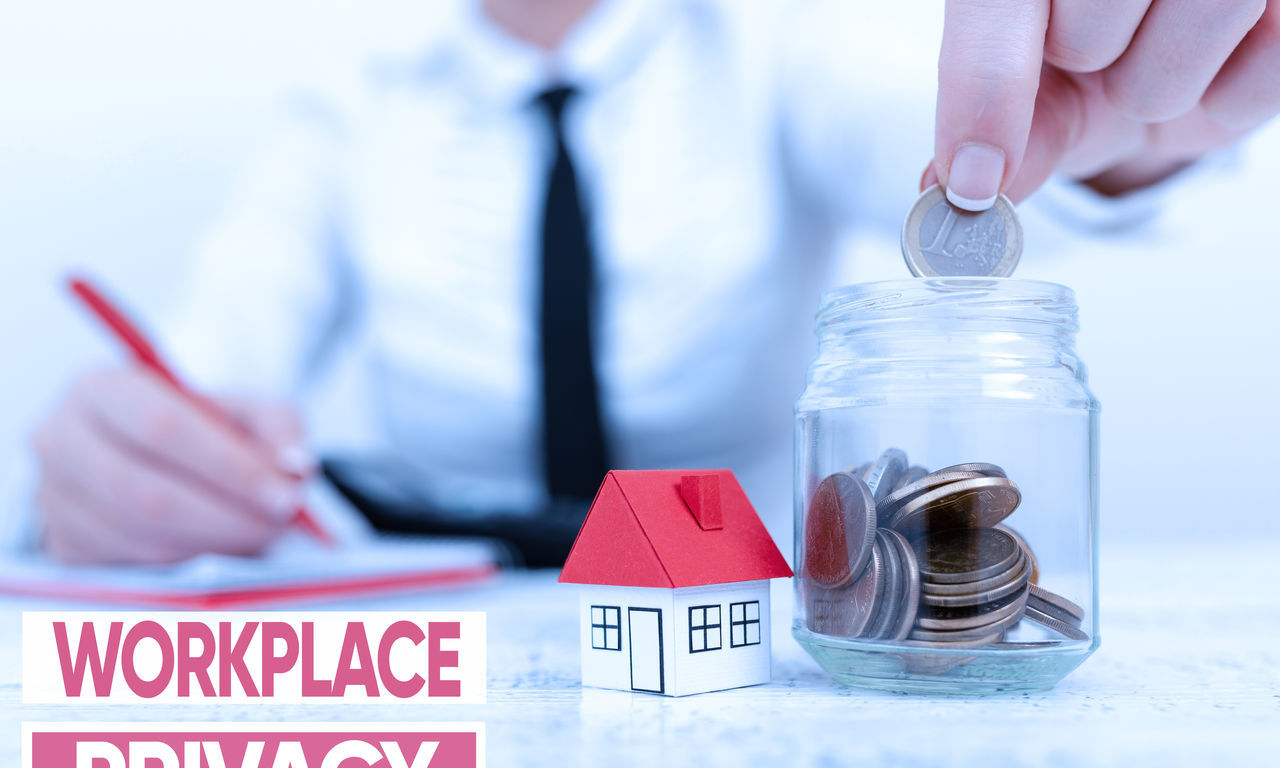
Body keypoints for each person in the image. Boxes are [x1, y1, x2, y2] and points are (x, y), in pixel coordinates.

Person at [28, 0, 1280, 565]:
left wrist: (1121, 130)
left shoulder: (780, 42)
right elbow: (202, 384)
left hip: (743, 607)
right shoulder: (347, 115)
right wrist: (118, 472)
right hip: (466, 633)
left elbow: (951, 141)